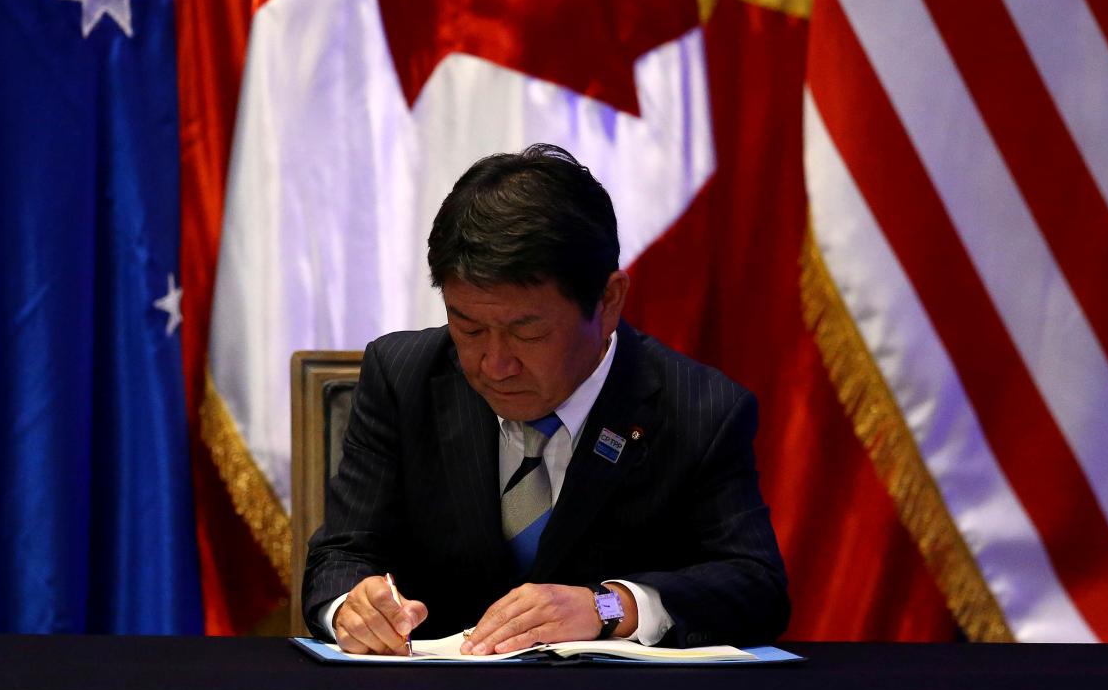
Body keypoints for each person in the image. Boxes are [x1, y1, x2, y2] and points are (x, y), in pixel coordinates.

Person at [302, 144, 789, 654]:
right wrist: (352, 609)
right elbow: (341, 554)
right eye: (468, 328)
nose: (495, 364)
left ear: (608, 302)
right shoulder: (403, 378)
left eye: (527, 334)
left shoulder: (698, 408)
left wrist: (610, 607)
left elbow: (755, 586)